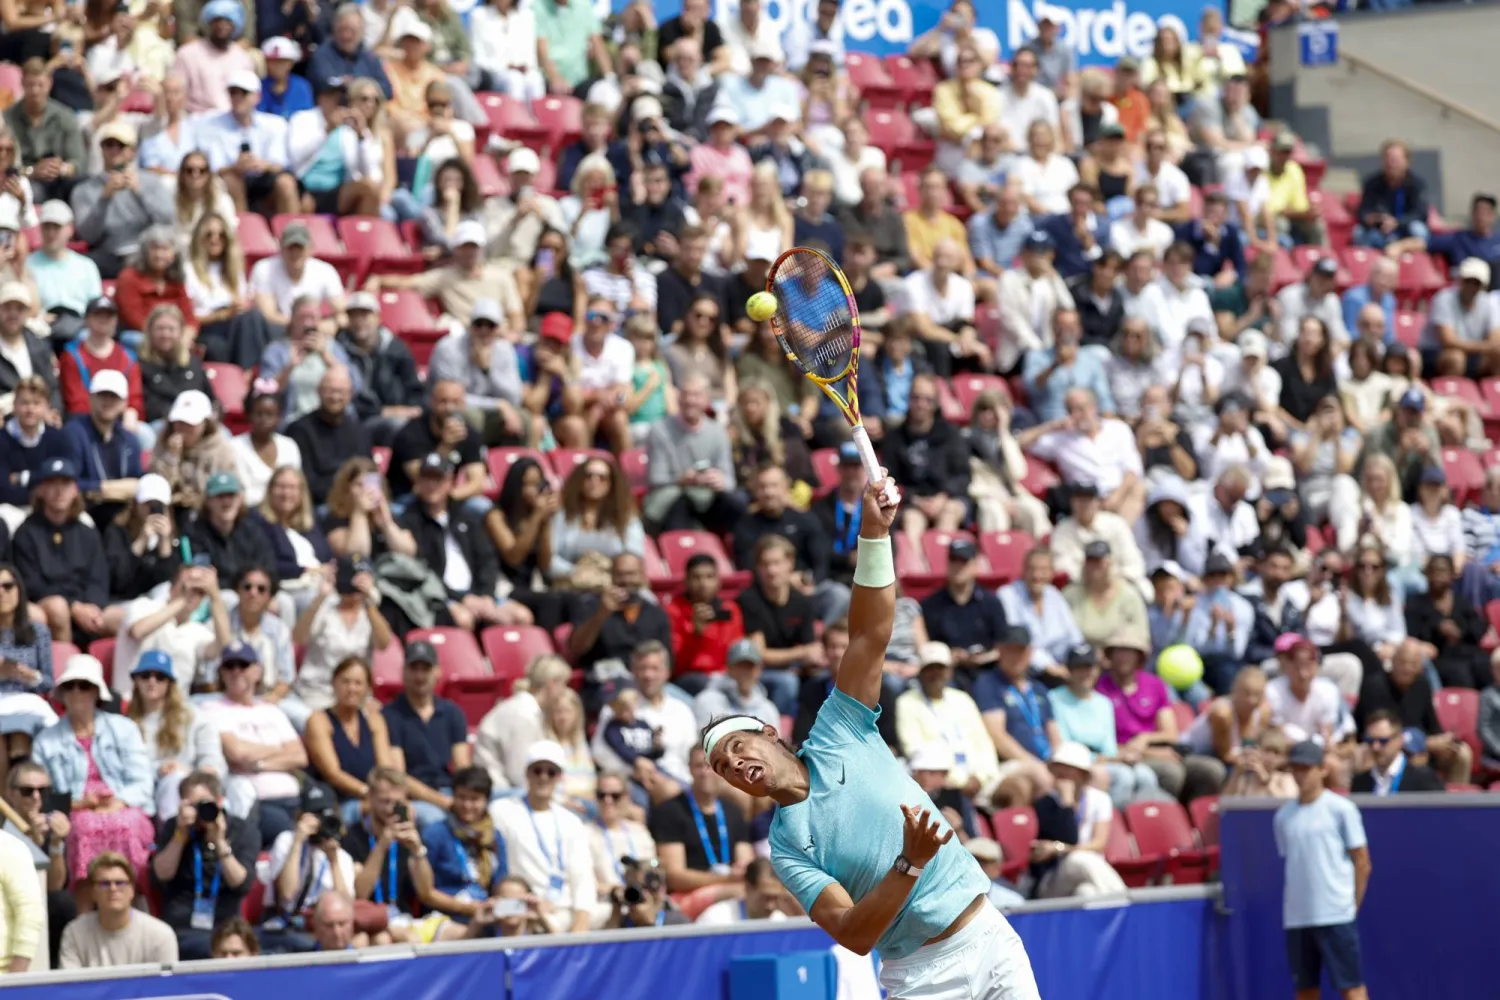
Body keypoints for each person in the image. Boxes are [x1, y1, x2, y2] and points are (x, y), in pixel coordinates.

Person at [705, 476, 1041, 996]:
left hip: (989, 937)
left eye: (735, 747)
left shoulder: (839, 727)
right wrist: (910, 863)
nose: (733, 766)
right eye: (722, 768)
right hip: (920, 977)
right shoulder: (787, 846)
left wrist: (874, 534)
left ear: (769, 733)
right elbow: (853, 934)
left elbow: (869, 634)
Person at [1275, 740, 1371, 1000]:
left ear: (1322, 769)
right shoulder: (1283, 817)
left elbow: (1362, 862)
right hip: (1297, 919)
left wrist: (1350, 907)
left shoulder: (1342, 809)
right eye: (1295, 768)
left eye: (1306, 767)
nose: (1300, 774)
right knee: (1305, 992)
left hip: (1336, 916)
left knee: (1351, 988)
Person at [197, 644, 309, 844]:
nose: (236, 671)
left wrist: (258, 764)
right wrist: (279, 749)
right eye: (230, 666)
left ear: (257, 671)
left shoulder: (271, 710)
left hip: (296, 798)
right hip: (257, 804)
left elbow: (299, 756)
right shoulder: (211, 709)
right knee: (291, 836)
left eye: (243, 665)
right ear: (221, 672)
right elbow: (237, 753)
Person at [488, 741, 595, 934]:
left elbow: (582, 876)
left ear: (559, 777)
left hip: (563, 910)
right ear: (527, 773)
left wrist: (581, 922)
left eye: (551, 772)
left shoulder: (571, 822)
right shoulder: (503, 811)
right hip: (521, 910)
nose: (544, 777)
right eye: (537, 770)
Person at [149, 771, 257, 959]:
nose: (199, 812)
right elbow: (161, 875)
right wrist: (180, 835)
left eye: (204, 804)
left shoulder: (241, 829)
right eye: (192, 805)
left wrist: (220, 842)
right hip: (182, 926)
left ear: (219, 801)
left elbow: (241, 883)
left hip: (225, 929)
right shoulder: (174, 827)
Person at [897, 642, 1000, 811]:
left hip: (980, 781)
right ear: (921, 672)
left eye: (941, 668)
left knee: (1021, 785)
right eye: (930, 668)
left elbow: (984, 743)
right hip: (942, 784)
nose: (936, 673)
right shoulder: (907, 702)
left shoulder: (962, 699)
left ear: (950, 671)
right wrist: (959, 781)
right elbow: (915, 750)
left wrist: (980, 777)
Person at [126, 651, 226, 819]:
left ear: (170, 683)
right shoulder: (126, 723)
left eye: (160, 677)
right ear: (136, 680)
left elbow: (213, 761)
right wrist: (159, 769)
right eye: (145, 676)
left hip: (193, 788)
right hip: (147, 792)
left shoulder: (193, 716)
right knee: (172, 781)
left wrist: (190, 773)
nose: (152, 681)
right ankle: (170, 837)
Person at [382, 640, 470, 829]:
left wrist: (465, 798)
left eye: (426, 669)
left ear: (437, 672)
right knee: (436, 821)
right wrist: (442, 801)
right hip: (415, 798)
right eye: (414, 668)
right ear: (404, 671)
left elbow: (462, 765)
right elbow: (399, 776)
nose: (420, 676)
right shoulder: (390, 716)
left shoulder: (452, 712)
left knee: (506, 802)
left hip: (450, 790)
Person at [1027, 742, 1127, 900]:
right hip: (1052, 879)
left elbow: (1099, 843)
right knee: (1078, 859)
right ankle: (1126, 903)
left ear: (1083, 774)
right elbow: (1069, 837)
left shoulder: (1100, 799)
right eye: (1059, 768)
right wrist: (1066, 801)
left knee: (1086, 892)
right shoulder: (1044, 804)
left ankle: (1118, 915)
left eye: (1070, 769)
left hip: (1090, 873)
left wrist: (1060, 848)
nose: (1063, 773)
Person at [341, 767, 434, 932]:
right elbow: (361, 892)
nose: (391, 809)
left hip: (405, 919)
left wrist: (418, 851)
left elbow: (426, 892)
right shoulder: (352, 838)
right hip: (368, 921)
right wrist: (382, 845)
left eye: (397, 802)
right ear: (370, 798)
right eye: (385, 801)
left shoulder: (411, 833)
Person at [305, 657, 396, 822]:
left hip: (375, 800)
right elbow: (333, 773)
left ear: (368, 688)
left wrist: (384, 797)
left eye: (358, 683)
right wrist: (367, 793)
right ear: (334, 683)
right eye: (345, 682)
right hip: (339, 802)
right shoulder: (319, 720)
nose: (351, 689)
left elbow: (385, 768)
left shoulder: (374, 721)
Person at [264, 784, 359, 937]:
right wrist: (298, 842)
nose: (319, 823)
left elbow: (346, 906)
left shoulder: (341, 856)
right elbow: (287, 894)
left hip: (325, 925)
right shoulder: (287, 840)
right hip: (287, 923)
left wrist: (333, 861)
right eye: (314, 815)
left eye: (324, 816)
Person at [59, 852, 178, 968]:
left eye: (120, 883)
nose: (113, 889)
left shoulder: (160, 935)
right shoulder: (74, 933)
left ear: (132, 890)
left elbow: (165, 986)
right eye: (104, 883)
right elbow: (70, 986)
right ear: (92, 892)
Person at [1349, 709, 1444, 795]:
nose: (1375, 747)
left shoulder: (1423, 779)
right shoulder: (1360, 783)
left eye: (1383, 741)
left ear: (1399, 740)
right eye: (1370, 741)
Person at [693, 638, 779, 731]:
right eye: (740, 666)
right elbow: (710, 740)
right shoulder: (709, 699)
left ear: (758, 670)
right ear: (728, 668)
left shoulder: (768, 709)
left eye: (749, 666)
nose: (744, 672)